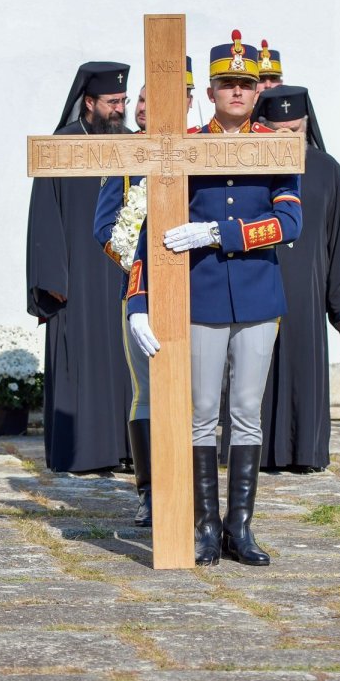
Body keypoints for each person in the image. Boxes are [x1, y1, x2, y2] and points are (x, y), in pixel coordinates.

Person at [126, 29, 302, 566]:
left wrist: (218, 234)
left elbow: (289, 221)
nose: (236, 94)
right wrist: (138, 302)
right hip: (198, 298)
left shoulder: (275, 146)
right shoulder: (183, 146)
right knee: (202, 413)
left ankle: (239, 528)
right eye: (226, 84)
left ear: (256, 92)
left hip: (255, 297)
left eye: (245, 86)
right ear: (209, 90)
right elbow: (149, 233)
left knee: (246, 412)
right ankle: (204, 527)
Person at [91, 57, 195, 527]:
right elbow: (106, 228)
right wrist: (144, 268)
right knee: (148, 392)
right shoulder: (128, 154)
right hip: (142, 292)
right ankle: (150, 490)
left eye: (160, 97)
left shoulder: (207, 150)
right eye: (142, 97)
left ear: (188, 100)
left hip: (201, 291)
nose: (144, 107)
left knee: (201, 393)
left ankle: (196, 489)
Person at [253, 85, 340, 472]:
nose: (290, 139)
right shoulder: (249, 166)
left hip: (307, 288)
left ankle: (305, 452)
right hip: (259, 282)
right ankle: (255, 453)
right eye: (281, 132)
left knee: (304, 366)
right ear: (265, 128)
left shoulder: (326, 168)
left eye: (296, 131)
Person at [26, 61, 133, 473]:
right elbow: (44, 214)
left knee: (126, 364)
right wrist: (52, 277)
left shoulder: (131, 143)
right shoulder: (62, 145)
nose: (119, 109)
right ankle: (82, 453)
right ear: (88, 102)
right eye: (111, 102)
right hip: (78, 278)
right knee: (81, 363)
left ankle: (127, 450)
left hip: (123, 273)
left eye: (123, 100)